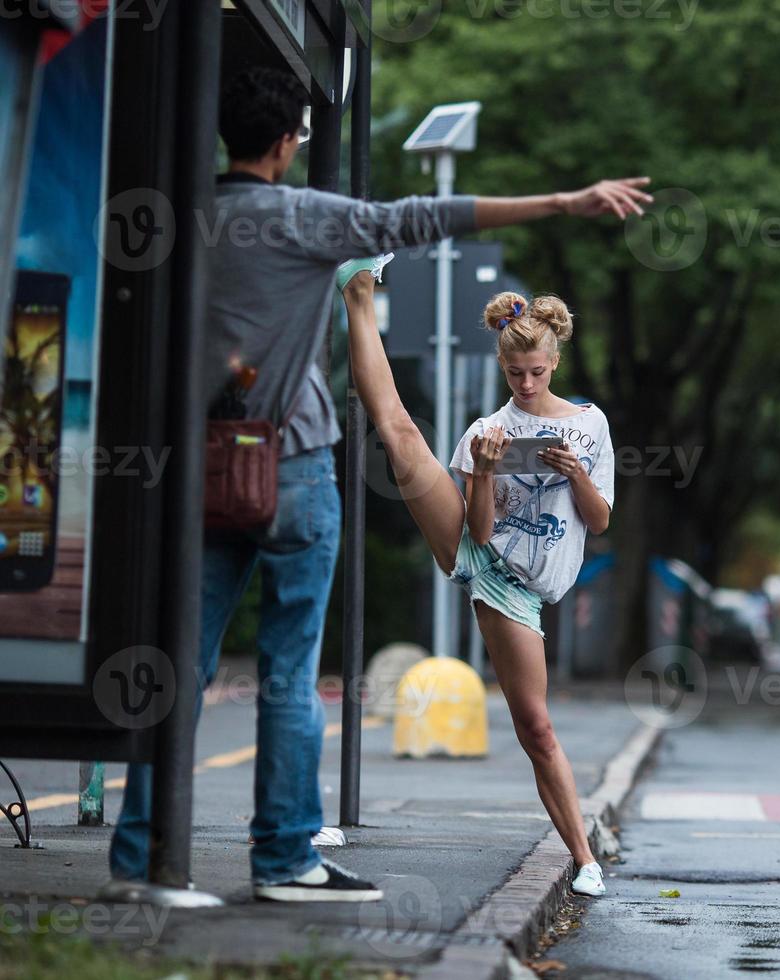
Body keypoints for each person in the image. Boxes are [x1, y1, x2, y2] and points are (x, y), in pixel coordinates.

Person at [106, 65, 650, 903]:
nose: (530, 373)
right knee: (295, 663)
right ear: (289, 144)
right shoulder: (306, 216)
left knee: (186, 661)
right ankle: (286, 859)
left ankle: (142, 857)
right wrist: (566, 201)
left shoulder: (188, 219)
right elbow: (425, 217)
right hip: (307, 471)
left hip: (210, 461)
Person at [340, 262, 613, 897]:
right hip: (487, 563)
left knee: (533, 727)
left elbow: (598, 521)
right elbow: (481, 532)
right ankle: (358, 292)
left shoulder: (588, 426)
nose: (525, 383)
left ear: (554, 362)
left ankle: (586, 858)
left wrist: (574, 472)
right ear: (501, 365)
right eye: (514, 374)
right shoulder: (486, 432)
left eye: (537, 373)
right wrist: (484, 471)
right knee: (401, 433)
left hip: (530, 586)